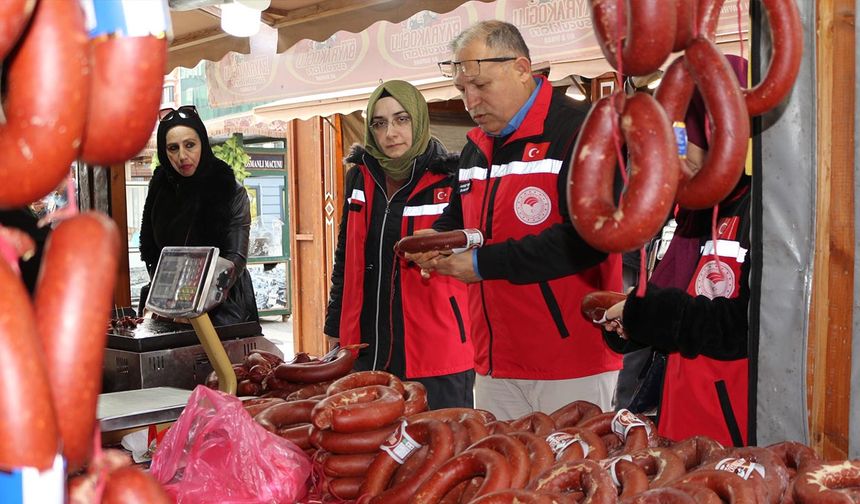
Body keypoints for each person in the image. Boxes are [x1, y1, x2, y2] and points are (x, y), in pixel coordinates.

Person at [407, 21, 623, 420]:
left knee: (568, 478)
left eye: (482, 86)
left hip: (570, 361)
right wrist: (436, 239)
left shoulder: (582, 130)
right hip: (493, 361)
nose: (471, 101)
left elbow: (588, 241)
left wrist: (480, 264)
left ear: (523, 68)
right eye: (462, 90)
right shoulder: (475, 148)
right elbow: (461, 215)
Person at [601, 55, 752, 447]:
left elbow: (746, 327)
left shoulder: (760, 211)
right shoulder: (681, 214)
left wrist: (645, 313)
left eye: (682, 145)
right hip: (675, 420)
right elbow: (669, 302)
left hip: (732, 432)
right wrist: (631, 324)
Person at [323, 80, 475, 410]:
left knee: (439, 452)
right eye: (379, 123)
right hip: (367, 348)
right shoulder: (359, 178)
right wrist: (335, 327)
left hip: (436, 352)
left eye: (401, 119)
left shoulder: (451, 178)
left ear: (419, 120)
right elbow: (345, 257)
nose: (391, 132)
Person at [139, 105, 258, 326]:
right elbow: (151, 250)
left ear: (203, 143)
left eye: (190, 145)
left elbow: (235, 259)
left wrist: (194, 305)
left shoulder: (230, 189)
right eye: (173, 148)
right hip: (167, 309)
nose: (182, 156)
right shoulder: (160, 187)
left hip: (221, 307)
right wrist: (161, 298)